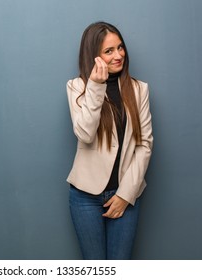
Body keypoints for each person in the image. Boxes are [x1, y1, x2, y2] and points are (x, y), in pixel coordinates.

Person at [66, 21, 153, 260]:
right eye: (109, 51)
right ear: (94, 57)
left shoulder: (139, 89)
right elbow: (84, 134)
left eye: (120, 47)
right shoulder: (77, 87)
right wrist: (95, 86)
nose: (119, 55)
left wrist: (126, 194)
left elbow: (144, 145)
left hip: (125, 193)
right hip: (85, 197)